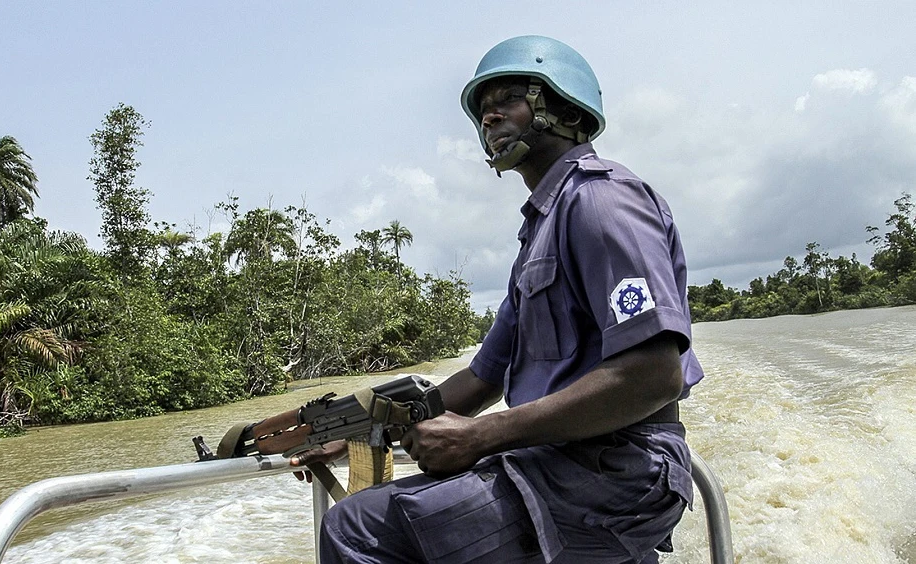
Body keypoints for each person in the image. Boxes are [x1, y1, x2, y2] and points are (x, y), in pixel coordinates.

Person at [290, 35, 705, 563]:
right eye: (483, 111)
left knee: (358, 529)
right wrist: (363, 433)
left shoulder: (601, 201)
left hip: (623, 468)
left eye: (508, 99)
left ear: (565, 107)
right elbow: (481, 379)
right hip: (562, 460)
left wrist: (482, 435)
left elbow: (653, 373)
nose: (490, 118)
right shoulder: (540, 232)